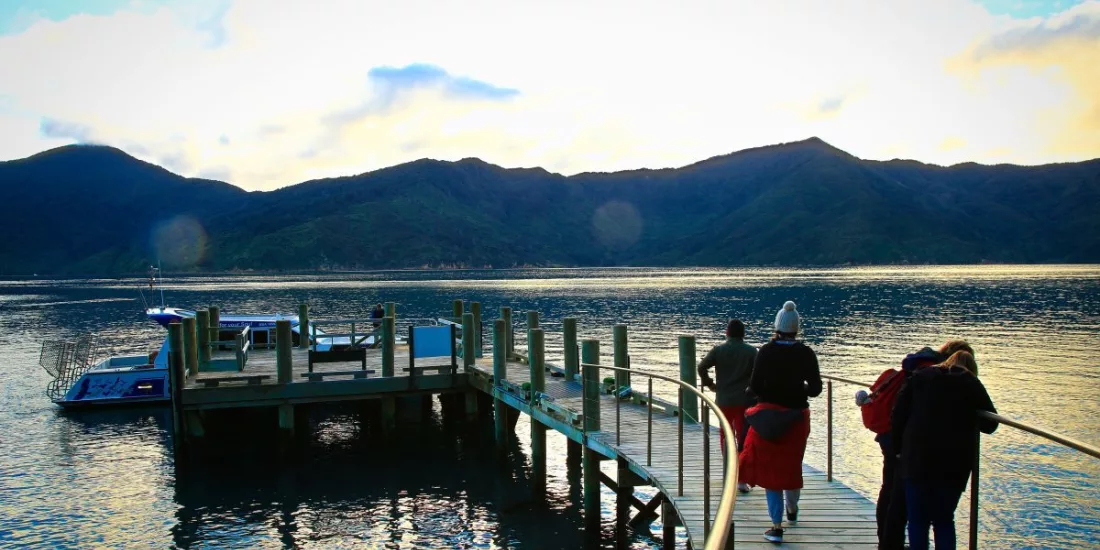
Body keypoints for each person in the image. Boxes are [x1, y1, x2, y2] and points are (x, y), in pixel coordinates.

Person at [866, 340, 974, 549]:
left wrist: (896, 446)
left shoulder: (917, 369)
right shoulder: (945, 377)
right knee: (923, 513)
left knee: (892, 494)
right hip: (911, 448)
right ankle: (890, 544)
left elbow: (900, 410)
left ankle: (888, 544)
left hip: (894, 440)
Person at [891, 350, 997, 550]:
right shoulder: (970, 383)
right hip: (953, 464)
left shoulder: (919, 377)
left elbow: (898, 414)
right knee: (944, 520)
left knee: (917, 519)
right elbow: (990, 424)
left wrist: (898, 449)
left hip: (916, 459)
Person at [738, 301, 822, 544]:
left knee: (770, 470)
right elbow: (815, 389)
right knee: (791, 464)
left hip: (767, 417)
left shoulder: (766, 351)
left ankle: (775, 525)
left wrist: (762, 390)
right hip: (796, 417)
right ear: (797, 328)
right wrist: (799, 387)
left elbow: (754, 387)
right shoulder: (806, 353)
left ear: (777, 326)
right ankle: (792, 510)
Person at [697, 318, 758, 493]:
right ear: (743, 334)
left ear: (727, 332)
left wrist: (709, 384)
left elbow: (701, 367)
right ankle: (741, 480)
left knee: (725, 435)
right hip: (744, 401)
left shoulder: (719, 350)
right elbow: (758, 375)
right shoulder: (751, 352)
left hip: (723, 400)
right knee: (744, 439)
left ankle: (728, 472)